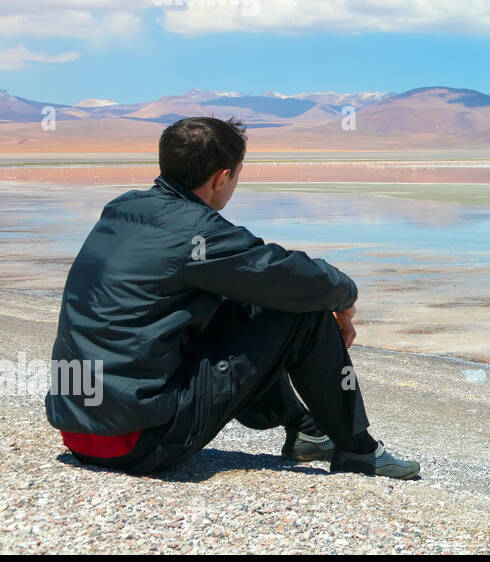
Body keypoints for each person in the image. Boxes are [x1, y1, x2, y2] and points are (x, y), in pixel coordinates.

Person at [44, 116, 420, 479]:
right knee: (301, 311)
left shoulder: (121, 209)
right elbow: (291, 275)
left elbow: (256, 276)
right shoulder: (198, 233)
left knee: (240, 298)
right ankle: (357, 448)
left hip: (77, 426)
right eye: (237, 174)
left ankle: (306, 429)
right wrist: (345, 296)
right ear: (222, 177)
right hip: (140, 440)